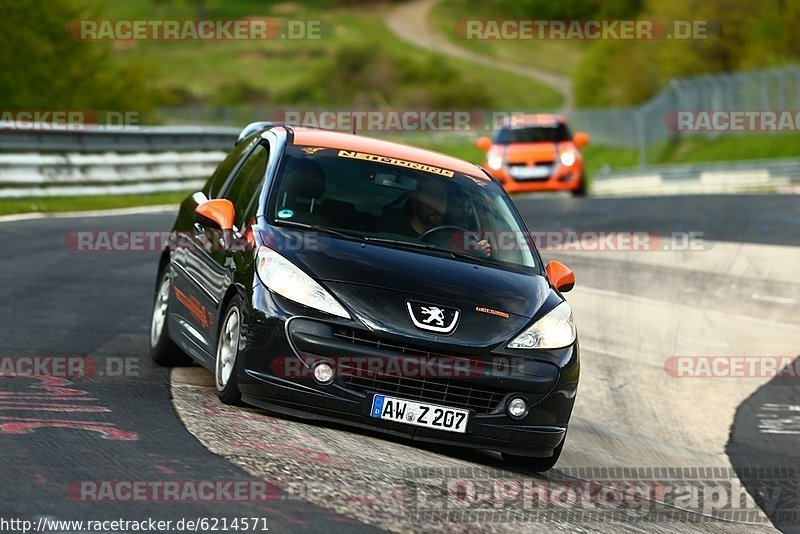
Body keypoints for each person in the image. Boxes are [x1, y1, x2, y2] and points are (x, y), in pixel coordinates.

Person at [391, 177, 491, 256]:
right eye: (431, 199)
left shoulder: (454, 239)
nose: (438, 206)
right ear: (414, 203)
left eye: (442, 199)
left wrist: (479, 251)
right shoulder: (390, 233)